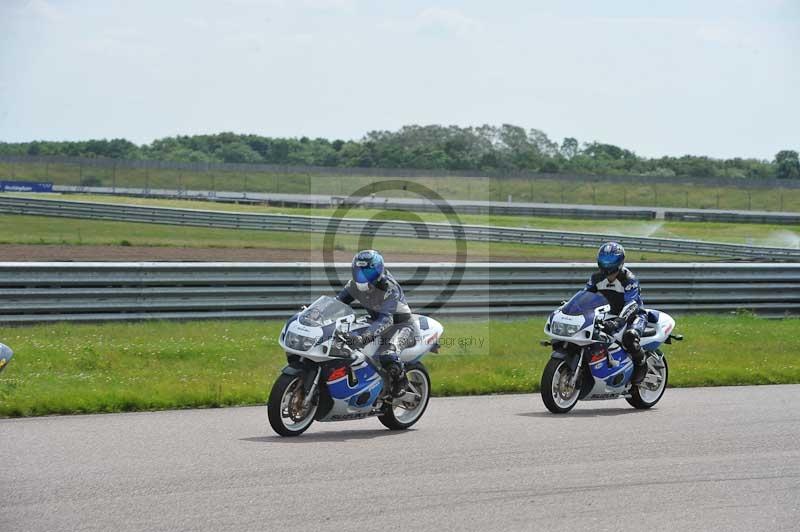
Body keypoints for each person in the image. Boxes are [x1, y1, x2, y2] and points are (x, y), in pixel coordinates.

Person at [336, 249, 414, 398]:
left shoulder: (389, 287)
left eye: (368, 273)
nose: (363, 277)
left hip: (400, 325)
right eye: (360, 272)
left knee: (388, 355)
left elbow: (386, 319)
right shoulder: (353, 285)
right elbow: (337, 303)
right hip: (374, 321)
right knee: (342, 341)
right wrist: (316, 314)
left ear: (379, 271)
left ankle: (401, 381)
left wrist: (363, 338)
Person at [585, 242, 649, 385]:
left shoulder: (629, 279)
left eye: (611, 262)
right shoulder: (596, 278)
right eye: (604, 262)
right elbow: (585, 297)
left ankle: (641, 367)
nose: (607, 266)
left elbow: (632, 304)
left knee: (629, 337)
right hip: (610, 314)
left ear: (619, 263)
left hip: (635, 315)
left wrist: (618, 321)